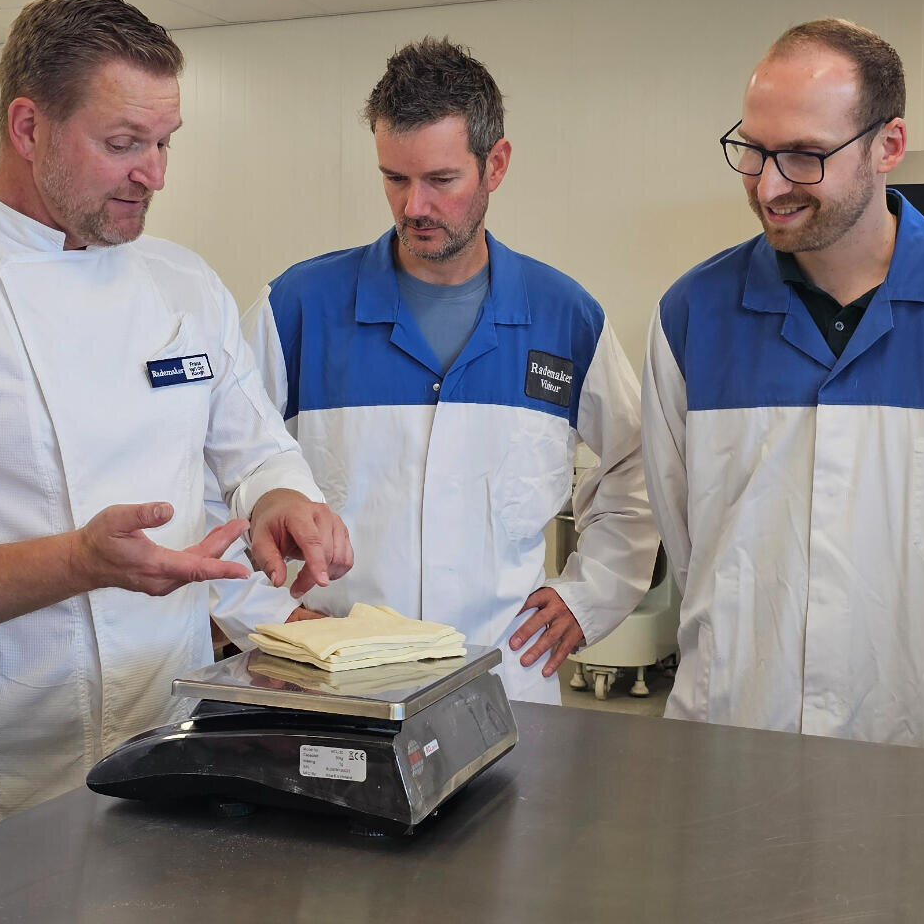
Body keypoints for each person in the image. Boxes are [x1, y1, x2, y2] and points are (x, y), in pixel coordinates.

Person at [0, 0, 352, 863]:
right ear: (28, 127)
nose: (155, 174)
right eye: (124, 144)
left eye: (165, 143)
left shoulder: (185, 286)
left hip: (168, 777)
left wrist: (282, 494)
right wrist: (75, 563)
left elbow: (255, 446)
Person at [642, 18, 924, 751]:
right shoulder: (693, 315)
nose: (770, 184)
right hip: (737, 725)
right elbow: (691, 546)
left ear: (889, 146)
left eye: (806, 155)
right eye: (753, 150)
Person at [239, 37, 657, 703]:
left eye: (440, 180)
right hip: (336, 686)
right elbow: (215, 474)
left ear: (495, 165)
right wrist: (268, 618)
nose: (414, 208)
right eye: (394, 179)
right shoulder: (298, 308)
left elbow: (636, 468)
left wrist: (592, 596)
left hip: (506, 678)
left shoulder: (565, 317)